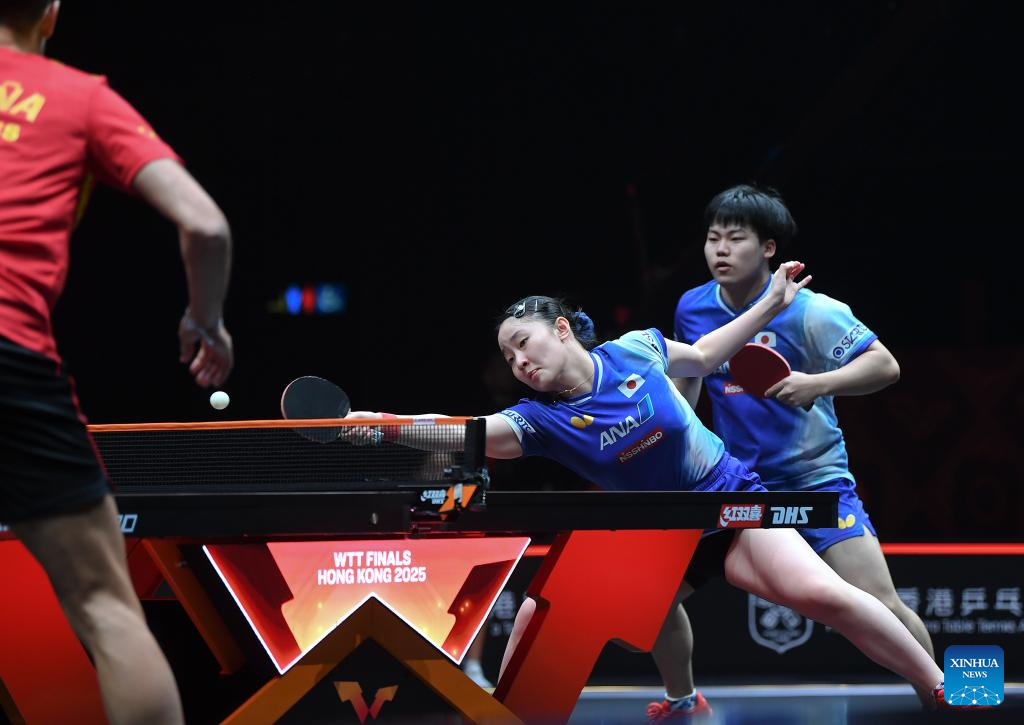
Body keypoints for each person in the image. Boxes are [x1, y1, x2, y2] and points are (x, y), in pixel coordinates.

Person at [347, 264, 973, 715]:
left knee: (825, 595)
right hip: (658, 533)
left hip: (727, 501)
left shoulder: (636, 350)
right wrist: (383, 427)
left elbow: (703, 355)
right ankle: (681, 700)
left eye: (523, 343)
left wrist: (770, 303)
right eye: (509, 358)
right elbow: (463, 433)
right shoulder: (538, 421)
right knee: (613, 613)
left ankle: (948, 685)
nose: (519, 363)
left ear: (561, 329)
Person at [1, 2, 233, 723]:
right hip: (10, 354)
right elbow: (206, 224)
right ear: (51, 12)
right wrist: (205, 320)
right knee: (105, 606)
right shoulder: (80, 98)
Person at [644, 184, 936, 719]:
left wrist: (817, 383)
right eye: (712, 238)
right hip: (732, 487)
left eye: (735, 238)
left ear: (769, 248)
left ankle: (945, 700)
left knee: (882, 603)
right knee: (653, 598)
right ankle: (682, 700)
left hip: (813, 482)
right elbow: (690, 379)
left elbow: (885, 366)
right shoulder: (694, 306)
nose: (720, 250)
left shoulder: (812, 311)